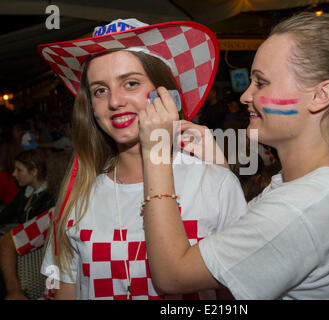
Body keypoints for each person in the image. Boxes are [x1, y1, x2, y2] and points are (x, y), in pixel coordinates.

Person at [137, 12, 329, 299]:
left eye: (261, 83)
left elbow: (172, 275)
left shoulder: (303, 207)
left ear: (320, 96)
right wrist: (220, 169)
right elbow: (259, 244)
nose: (245, 96)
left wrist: (155, 152)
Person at [39, 18, 247, 300]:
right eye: (100, 90)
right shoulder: (76, 195)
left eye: (131, 83)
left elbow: (236, 296)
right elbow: (61, 292)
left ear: (168, 96)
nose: (114, 101)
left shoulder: (217, 183)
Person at [0, 149, 54, 231]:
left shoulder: (49, 199)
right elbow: (7, 213)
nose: (14, 174)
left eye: (19, 170)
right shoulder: (26, 190)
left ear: (34, 172)